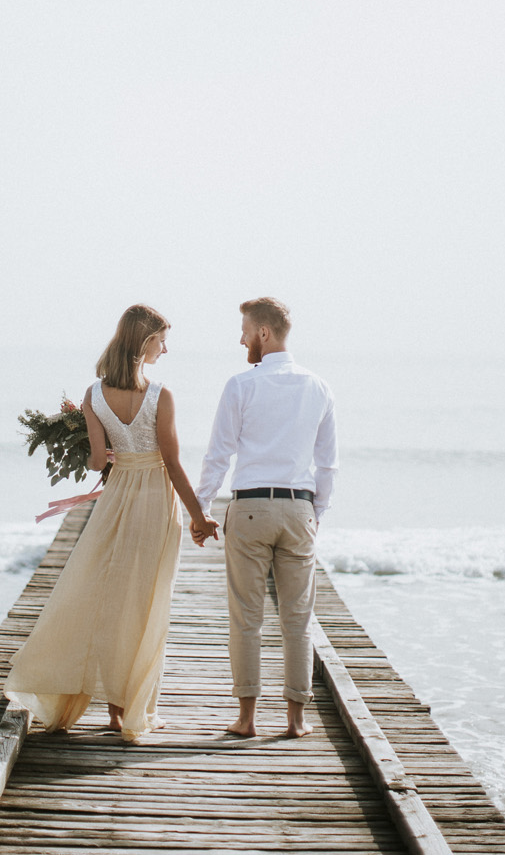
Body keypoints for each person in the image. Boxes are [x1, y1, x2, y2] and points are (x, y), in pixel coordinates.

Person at [4, 304, 219, 742]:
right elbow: (174, 465)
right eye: (161, 339)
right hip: (155, 501)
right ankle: (133, 709)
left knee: (108, 600)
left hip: (116, 499)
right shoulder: (161, 395)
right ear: (145, 342)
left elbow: (97, 461)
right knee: (145, 604)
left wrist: (85, 433)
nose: (166, 347)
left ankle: (115, 714)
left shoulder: (93, 395)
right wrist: (199, 517)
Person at [192, 297, 338, 738]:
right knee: (298, 619)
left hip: (251, 507)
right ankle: (296, 720)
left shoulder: (241, 385)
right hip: (298, 508)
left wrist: (201, 510)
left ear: (264, 334)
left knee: (246, 617)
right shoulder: (318, 387)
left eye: (245, 330)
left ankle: (247, 719)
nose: (241, 339)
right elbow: (328, 464)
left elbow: (218, 455)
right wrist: (315, 514)